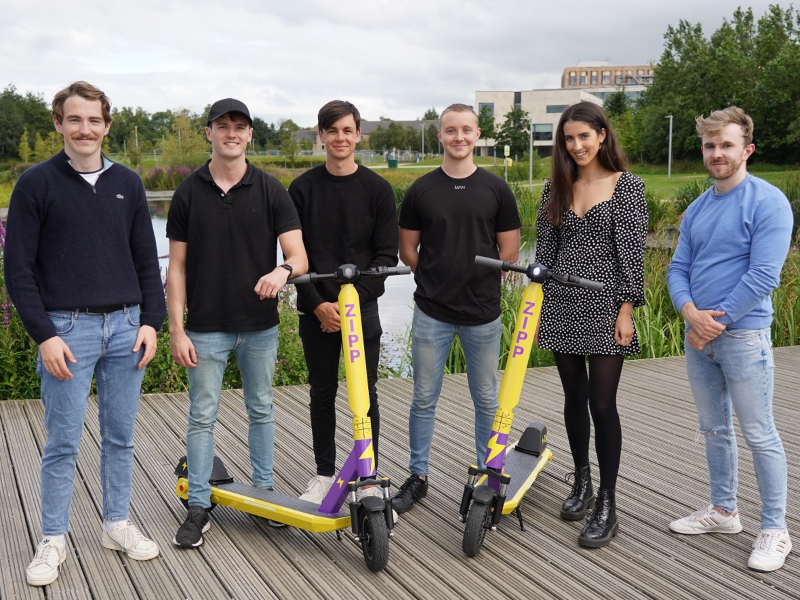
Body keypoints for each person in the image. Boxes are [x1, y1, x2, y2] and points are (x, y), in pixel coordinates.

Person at [4, 81, 165, 586]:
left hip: (125, 328)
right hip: (66, 331)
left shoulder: (129, 184)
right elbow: (17, 268)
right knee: (63, 442)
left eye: (94, 120)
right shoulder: (36, 184)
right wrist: (44, 335)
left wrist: (151, 322)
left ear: (107, 126)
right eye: (74, 120)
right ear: (58, 124)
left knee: (120, 437)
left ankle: (115, 524)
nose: (84, 129)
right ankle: (53, 538)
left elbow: (145, 260)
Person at [166, 98, 307, 548]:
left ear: (250, 135)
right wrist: (176, 329)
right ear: (209, 132)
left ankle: (264, 494)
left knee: (261, 408)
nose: (231, 133)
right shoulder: (188, 191)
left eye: (240, 126)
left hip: (260, 326)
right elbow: (177, 268)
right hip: (205, 327)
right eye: (222, 125)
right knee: (202, 415)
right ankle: (199, 505)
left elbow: (299, 256)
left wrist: (283, 271)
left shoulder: (271, 190)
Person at [667, 106, 793, 572]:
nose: (717, 153)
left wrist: (711, 323)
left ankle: (776, 529)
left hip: (743, 338)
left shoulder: (768, 201)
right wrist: (688, 313)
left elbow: (764, 275)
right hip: (698, 338)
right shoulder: (699, 207)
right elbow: (677, 268)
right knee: (713, 428)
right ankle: (724, 511)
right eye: (709, 146)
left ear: (747, 149)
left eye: (726, 145)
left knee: (760, 433)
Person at [393, 103, 521, 514]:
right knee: (423, 397)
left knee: (486, 398)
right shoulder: (421, 190)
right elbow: (407, 249)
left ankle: (489, 474)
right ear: (441, 136)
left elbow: (510, 251)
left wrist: (477, 282)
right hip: (432, 311)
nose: (459, 137)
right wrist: (433, 275)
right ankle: (418, 476)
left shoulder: (496, 189)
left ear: (478, 133)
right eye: (451, 130)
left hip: (482, 313)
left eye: (466, 130)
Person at [534, 101, 647, 548]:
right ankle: (580, 480)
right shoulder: (555, 188)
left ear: (602, 135)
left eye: (584, 136)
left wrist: (627, 310)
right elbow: (544, 254)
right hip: (561, 303)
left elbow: (631, 256)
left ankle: (607, 500)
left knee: (603, 405)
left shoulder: (627, 187)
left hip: (605, 307)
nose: (577, 145)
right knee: (573, 398)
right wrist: (535, 304)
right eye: (569, 138)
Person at [288, 100, 398, 505]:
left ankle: (367, 476)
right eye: (331, 131)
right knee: (321, 392)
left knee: (364, 393)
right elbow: (293, 257)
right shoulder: (301, 189)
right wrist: (319, 304)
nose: (340, 138)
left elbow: (387, 259)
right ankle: (323, 473)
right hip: (315, 311)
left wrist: (350, 306)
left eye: (347, 130)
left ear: (357, 135)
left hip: (361, 312)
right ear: (321, 135)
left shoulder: (378, 190)